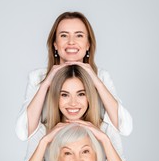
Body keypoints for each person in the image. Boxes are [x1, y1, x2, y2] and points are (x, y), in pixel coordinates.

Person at [16, 65, 134, 161]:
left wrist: (105, 140)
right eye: (65, 95)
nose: (73, 103)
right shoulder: (43, 131)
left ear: (89, 97)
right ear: (56, 97)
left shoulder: (105, 129)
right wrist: (44, 142)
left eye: (81, 94)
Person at [15, 11, 132, 141]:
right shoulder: (38, 77)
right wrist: (46, 83)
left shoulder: (101, 76)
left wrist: (96, 81)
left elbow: (125, 128)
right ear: (55, 44)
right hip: (47, 158)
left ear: (88, 45)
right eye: (64, 35)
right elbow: (23, 133)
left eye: (79, 35)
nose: (71, 42)